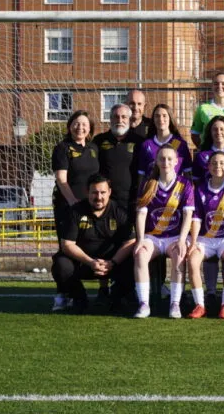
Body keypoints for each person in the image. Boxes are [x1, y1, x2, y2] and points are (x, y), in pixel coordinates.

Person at [51, 174, 136, 313]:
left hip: (111, 263)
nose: (99, 197)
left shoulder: (119, 211)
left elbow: (130, 241)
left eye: (103, 192)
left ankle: (117, 296)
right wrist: (90, 262)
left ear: (109, 192)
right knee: (61, 265)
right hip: (84, 263)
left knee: (135, 258)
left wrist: (112, 262)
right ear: (87, 192)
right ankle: (79, 297)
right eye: (94, 192)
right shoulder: (75, 211)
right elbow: (67, 244)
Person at [132, 145, 195, 319]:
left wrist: (182, 240)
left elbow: (188, 215)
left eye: (169, 159)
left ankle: (175, 303)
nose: (165, 162)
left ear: (176, 162)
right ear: (157, 161)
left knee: (179, 255)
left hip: (175, 236)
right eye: (162, 158)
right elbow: (141, 214)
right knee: (140, 255)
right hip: (152, 237)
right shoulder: (148, 184)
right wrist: (140, 239)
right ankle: (143, 303)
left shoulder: (185, 184)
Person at [187, 151, 224, 319]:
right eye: (214, 163)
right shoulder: (200, 189)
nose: (218, 166)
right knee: (192, 260)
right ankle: (199, 305)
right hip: (205, 239)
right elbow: (196, 219)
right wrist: (194, 242)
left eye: (222, 163)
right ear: (208, 166)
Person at [52, 110, 99, 252]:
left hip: (90, 205)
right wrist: (73, 202)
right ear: (69, 126)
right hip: (69, 206)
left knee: (88, 244)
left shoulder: (94, 148)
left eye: (84, 124)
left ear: (90, 128)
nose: (80, 127)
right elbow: (61, 179)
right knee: (69, 245)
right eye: (76, 123)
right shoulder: (62, 148)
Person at [92, 104, 144, 213]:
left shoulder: (139, 142)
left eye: (124, 117)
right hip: (105, 201)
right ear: (110, 119)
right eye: (116, 117)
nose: (120, 120)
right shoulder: (98, 140)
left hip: (131, 201)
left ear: (129, 119)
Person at [136, 104, 192, 180]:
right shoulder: (146, 145)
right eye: (157, 116)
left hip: (175, 187)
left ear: (170, 118)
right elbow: (141, 175)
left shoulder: (180, 144)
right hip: (153, 186)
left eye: (164, 116)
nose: (160, 119)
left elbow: (188, 173)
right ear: (153, 120)